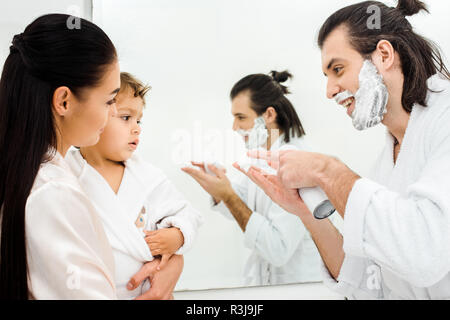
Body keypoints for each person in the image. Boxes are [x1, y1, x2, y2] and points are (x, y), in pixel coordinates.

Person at [238, 0, 450, 299]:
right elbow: (369, 285)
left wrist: (328, 171)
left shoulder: (446, 120)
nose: (330, 90)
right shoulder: (385, 165)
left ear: (384, 56)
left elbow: (423, 253)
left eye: (337, 69)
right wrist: (306, 214)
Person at [0, 14, 182, 299]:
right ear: (64, 101)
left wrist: (172, 261)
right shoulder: (53, 192)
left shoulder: (33, 173)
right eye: (109, 100)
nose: (112, 113)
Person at [65, 72, 203, 299]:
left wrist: (177, 236)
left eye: (139, 120)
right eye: (126, 117)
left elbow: (188, 214)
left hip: (142, 291)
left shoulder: (147, 177)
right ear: (96, 117)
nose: (137, 128)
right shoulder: (67, 172)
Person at [182, 71, 322, 286]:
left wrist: (228, 196)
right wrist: (219, 187)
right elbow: (245, 205)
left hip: (297, 290)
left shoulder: (297, 164)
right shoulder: (261, 156)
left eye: (241, 117)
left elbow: (278, 249)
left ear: (269, 115)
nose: (234, 128)